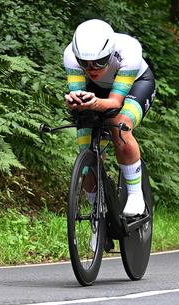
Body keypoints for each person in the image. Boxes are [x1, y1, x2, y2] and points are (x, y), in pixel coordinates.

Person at [63, 19, 156, 217]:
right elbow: (80, 96)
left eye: (99, 62)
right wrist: (75, 101)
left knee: (119, 125)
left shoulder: (129, 51)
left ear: (111, 53)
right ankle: (97, 213)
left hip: (136, 84)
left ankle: (135, 194)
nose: (91, 69)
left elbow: (114, 102)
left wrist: (95, 103)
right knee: (85, 144)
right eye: (84, 63)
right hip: (97, 90)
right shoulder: (70, 55)